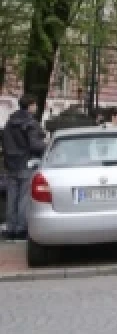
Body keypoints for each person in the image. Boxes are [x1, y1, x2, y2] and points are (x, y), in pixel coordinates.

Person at [2, 95, 46, 241]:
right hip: (25, 163)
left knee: (11, 197)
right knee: (23, 198)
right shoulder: (30, 123)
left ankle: (10, 228)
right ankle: (21, 229)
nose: (36, 107)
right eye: (35, 105)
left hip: (10, 163)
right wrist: (47, 146)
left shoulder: (9, 122)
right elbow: (35, 145)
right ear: (30, 106)